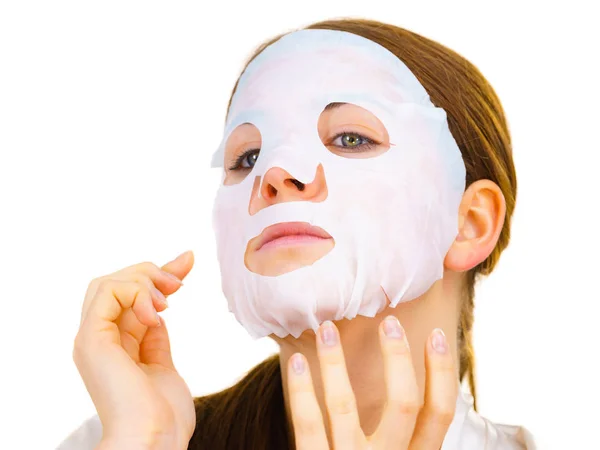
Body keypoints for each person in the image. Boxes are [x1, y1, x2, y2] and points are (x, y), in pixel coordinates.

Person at [58, 18, 536, 450]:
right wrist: (148, 440)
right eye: (247, 157)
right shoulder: (125, 437)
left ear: (469, 223)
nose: (275, 173)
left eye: (351, 138)